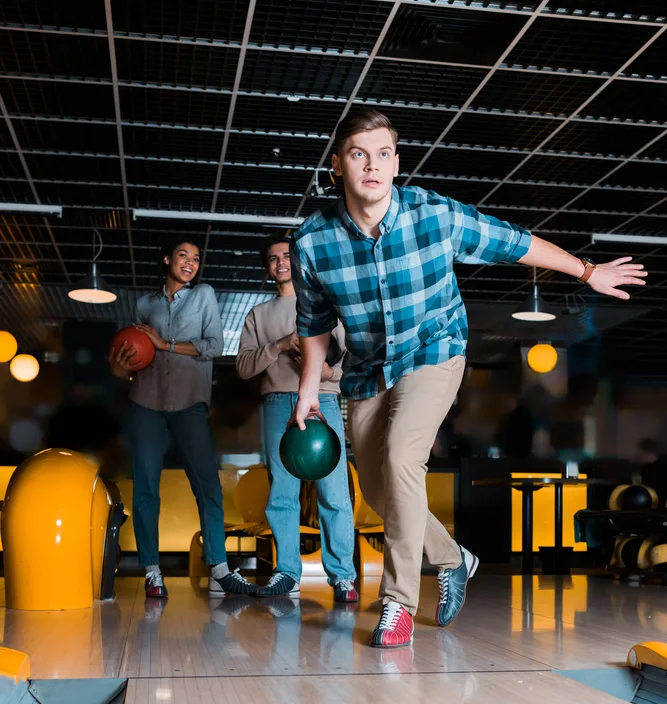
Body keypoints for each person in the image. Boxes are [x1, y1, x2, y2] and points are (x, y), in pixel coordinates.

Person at [291, 108, 648, 648]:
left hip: (435, 350)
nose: (373, 165)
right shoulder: (312, 243)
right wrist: (308, 392)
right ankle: (454, 558)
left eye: (384, 154)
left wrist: (588, 271)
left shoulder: (433, 214)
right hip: (366, 369)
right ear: (338, 164)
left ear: (395, 162)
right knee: (379, 489)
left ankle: (398, 605)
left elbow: (514, 242)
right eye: (359, 154)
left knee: (400, 458)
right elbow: (314, 325)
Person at [109, 238, 256, 600]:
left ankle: (219, 568)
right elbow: (129, 356)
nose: (190, 262)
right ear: (166, 259)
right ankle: (152, 571)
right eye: (182, 255)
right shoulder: (144, 304)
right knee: (146, 488)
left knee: (208, 487)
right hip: (145, 403)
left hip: (190, 404)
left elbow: (214, 347)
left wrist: (165, 344)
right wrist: (116, 368)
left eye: (196, 258)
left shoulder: (203, 295)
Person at [236, 234, 358, 602]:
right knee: (283, 493)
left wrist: (326, 376)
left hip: (323, 402)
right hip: (277, 403)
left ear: (298, 261)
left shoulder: (326, 307)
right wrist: (277, 345)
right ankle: (287, 572)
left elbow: (348, 363)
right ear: (267, 268)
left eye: (286, 256)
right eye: (273, 259)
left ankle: (343, 577)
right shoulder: (258, 315)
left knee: (334, 491)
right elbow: (243, 367)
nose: (281, 263)